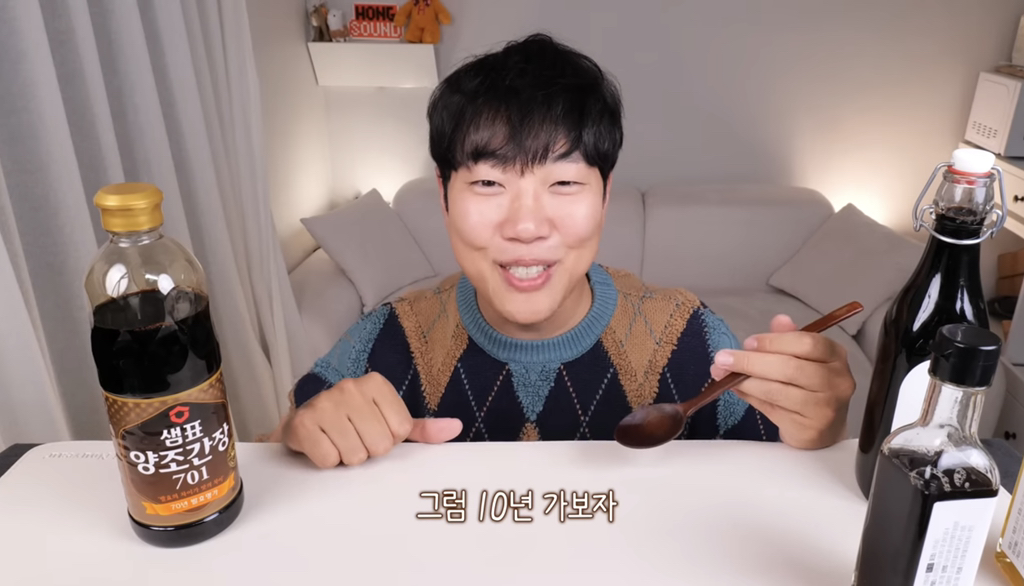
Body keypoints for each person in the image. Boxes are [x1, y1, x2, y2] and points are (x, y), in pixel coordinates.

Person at [275, 33, 856, 468]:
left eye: (564, 183)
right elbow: (287, 439)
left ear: (605, 196)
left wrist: (818, 430)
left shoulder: (689, 339)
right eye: (488, 183)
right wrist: (301, 432)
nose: (527, 225)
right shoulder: (387, 339)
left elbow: (777, 468)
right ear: (444, 195)